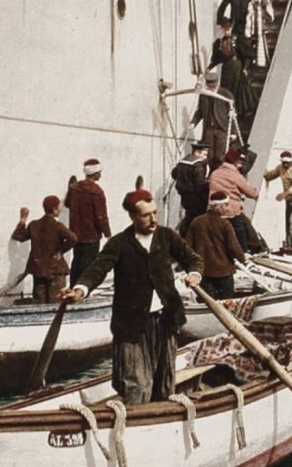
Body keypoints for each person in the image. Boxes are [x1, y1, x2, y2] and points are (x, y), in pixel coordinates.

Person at [61, 190, 203, 404]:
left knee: (164, 382)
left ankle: (161, 419)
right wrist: (80, 289)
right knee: (136, 385)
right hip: (131, 324)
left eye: (155, 213)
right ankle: (135, 420)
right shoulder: (119, 243)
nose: (154, 219)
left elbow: (192, 258)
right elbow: (98, 269)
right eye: (147, 215)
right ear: (133, 217)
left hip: (165, 320)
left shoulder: (166, 237)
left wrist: (194, 274)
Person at [11, 196, 77, 303]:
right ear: (54, 209)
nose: (60, 209)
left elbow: (19, 236)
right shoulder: (58, 226)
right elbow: (73, 238)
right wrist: (61, 251)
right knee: (56, 303)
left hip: (38, 270)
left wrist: (23, 219)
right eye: (58, 207)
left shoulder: (34, 225)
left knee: (39, 303)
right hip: (56, 270)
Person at [185, 191, 244, 300]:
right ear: (219, 206)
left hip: (204, 272)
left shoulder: (196, 222)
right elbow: (233, 248)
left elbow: (187, 247)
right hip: (224, 272)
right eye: (226, 205)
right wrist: (243, 258)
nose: (227, 208)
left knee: (207, 303)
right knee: (226, 304)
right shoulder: (225, 224)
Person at [64, 158, 112, 287]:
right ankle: (83, 290)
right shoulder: (97, 192)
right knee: (89, 265)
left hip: (75, 233)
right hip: (91, 235)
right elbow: (101, 216)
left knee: (76, 261)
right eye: (99, 172)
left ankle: (73, 287)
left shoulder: (74, 188)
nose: (101, 175)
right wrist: (108, 234)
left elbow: (67, 203)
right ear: (95, 173)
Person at [208, 148, 260, 253]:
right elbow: (249, 192)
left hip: (215, 208)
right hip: (231, 209)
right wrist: (256, 194)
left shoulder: (215, 173)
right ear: (236, 162)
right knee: (239, 231)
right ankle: (243, 252)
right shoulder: (236, 176)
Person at [208, 18, 258, 121]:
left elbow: (248, 56)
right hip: (226, 69)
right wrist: (209, 67)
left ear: (231, 27)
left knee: (237, 91)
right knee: (226, 90)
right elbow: (218, 58)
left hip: (236, 68)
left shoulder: (238, 40)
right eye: (224, 28)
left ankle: (237, 113)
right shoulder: (220, 42)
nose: (226, 30)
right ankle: (228, 111)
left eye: (228, 27)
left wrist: (245, 68)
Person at [263, 151, 292, 251]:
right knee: (287, 224)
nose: (285, 164)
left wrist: (284, 194)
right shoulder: (280, 168)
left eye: (287, 162)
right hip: (289, 200)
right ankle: (289, 245)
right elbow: (269, 175)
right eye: (284, 162)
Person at [190, 71, 235, 167]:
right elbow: (200, 111)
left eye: (213, 86)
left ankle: (217, 175)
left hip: (222, 130)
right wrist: (193, 122)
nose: (211, 89)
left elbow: (232, 115)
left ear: (217, 84)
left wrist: (233, 132)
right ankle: (211, 174)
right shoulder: (204, 95)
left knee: (220, 156)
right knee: (209, 156)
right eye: (209, 87)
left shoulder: (226, 94)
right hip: (208, 130)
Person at [171, 141, 210, 237]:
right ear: (197, 153)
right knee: (196, 218)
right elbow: (200, 185)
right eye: (205, 154)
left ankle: (184, 234)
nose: (206, 157)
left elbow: (174, 174)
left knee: (189, 216)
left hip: (184, 196)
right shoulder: (198, 165)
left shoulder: (182, 162)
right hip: (195, 197)